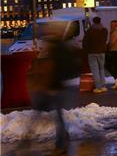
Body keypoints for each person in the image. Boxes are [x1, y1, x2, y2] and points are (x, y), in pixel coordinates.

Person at [29, 22, 79, 153]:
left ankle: (60, 145)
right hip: (63, 85)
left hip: (56, 87)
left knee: (58, 117)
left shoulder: (54, 47)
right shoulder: (63, 46)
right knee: (58, 115)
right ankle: (63, 138)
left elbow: (50, 68)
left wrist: (44, 85)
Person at [83, 16, 108, 93]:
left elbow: (85, 42)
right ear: (100, 21)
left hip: (92, 52)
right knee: (101, 69)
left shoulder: (90, 31)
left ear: (93, 22)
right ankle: (103, 86)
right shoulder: (104, 30)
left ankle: (98, 87)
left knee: (95, 70)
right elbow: (105, 40)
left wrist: (86, 50)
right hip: (101, 52)